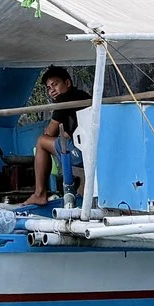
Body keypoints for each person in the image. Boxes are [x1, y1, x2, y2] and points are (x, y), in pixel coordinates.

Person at [22, 65, 92, 206]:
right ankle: (71, 181)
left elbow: (50, 132)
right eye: (48, 88)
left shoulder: (64, 100)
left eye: (55, 84)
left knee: (42, 141)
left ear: (67, 83)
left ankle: (40, 194)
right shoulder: (82, 95)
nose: (52, 90)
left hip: (82, 152)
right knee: (61, 141)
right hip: (92, 149)